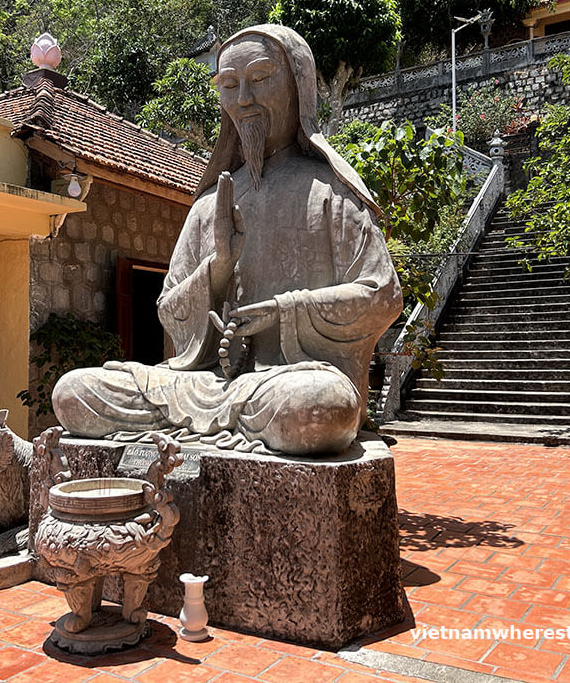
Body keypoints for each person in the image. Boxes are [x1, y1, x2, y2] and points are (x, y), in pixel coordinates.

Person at [52, 24, 402, 456]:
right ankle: (230, 422)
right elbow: (168, 308)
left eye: (259, 79)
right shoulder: (210, 204)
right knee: (75, 393)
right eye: (229, 85)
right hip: (206, 384)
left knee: (321, 408)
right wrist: (216, 270)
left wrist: (284, 309)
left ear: (299, 85)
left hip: (288, 381)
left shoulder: (331, 192)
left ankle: (244, 418)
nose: (244, 100)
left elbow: (382, 294)